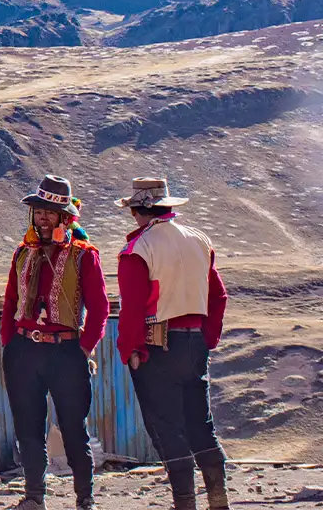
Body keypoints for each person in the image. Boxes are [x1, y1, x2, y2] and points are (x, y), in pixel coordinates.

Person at [116, 177, 228, 510]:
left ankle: (185, 503)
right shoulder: (199, 240)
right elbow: (218, 296)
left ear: (137, 211)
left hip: (157, 347)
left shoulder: (138, 249)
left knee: (167, 428)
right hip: (195, 344)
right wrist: (208, 338)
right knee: (201, 425)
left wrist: (131, 349)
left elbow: (133, 307)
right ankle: (219, 500)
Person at [0, 175, 109, 510]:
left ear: (65, 217)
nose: (43, 217)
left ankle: (84, 498)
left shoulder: (84, 255)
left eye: (50, 211)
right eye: (38, 211)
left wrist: (83, 348)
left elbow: (100, 307)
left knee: (73, 428)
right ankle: (34, 496)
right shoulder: (22, 253)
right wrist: (9, 344)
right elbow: (10, 302)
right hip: (24, 351)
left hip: (66, 351)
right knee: (28, 427)